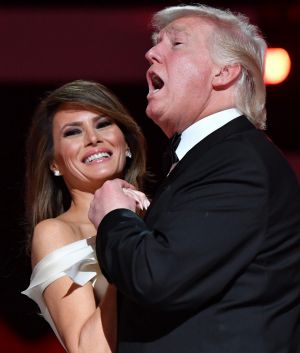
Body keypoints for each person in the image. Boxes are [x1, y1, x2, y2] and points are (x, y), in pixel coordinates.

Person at [88, 4, 300, 353]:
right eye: (157, 42)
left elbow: (156, 275)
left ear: (224, 72)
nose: (151, 52)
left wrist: (114, 216)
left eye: (176, 44)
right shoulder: (214, 159)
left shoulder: (238, 163)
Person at [22, 79, 149, 353]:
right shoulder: (56, 232)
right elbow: (89, 350)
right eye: (72, 132)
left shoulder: (167, 211)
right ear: (54, 162)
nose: (93, 138)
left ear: (125, 142)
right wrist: (123, 243)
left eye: (103, 124)